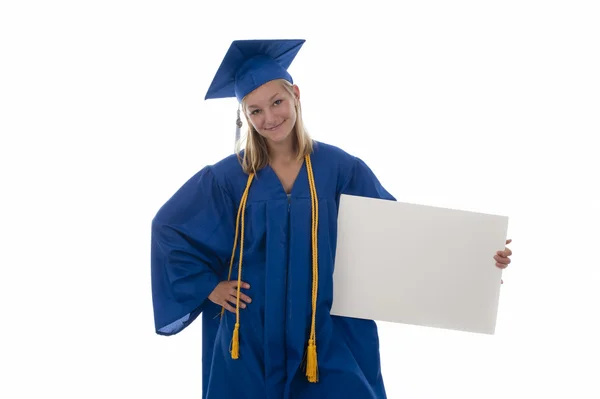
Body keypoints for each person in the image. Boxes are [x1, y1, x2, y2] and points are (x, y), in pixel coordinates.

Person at [150, 39, 513, 399]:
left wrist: (477, 260)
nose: (269, 118)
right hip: (250, 333)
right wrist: (209, 287)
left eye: (277, 102)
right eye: (255, 110)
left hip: (327, 331)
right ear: (244, 116)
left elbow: (397, 235)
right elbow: (169, 230)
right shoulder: (228, 178)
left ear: (295, 94)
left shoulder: (341, 169)